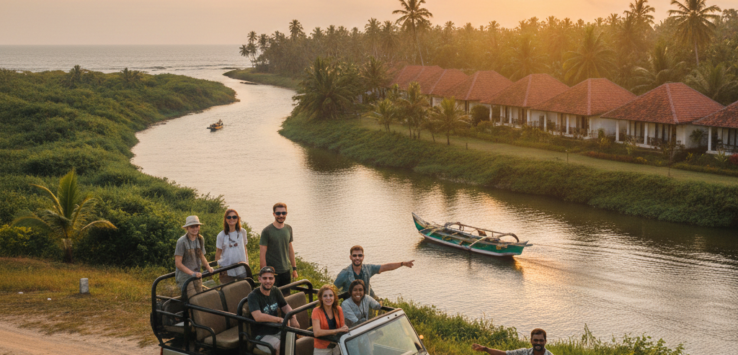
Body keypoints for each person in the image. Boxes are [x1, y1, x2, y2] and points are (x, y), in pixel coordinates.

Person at [247, 266, 300, 354]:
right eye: (265, 278)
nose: (268, 281)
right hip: (262, 335)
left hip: (277, 330)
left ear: (274, 280)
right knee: (281, 346)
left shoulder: (275, 290)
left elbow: (285, 306)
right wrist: (279, 320)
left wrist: (293, 317)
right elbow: (258, 316)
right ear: (259, 279)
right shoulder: (253, 296)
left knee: (295, 340)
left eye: (270, 278)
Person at [334, 245, 414, 298]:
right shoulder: (344, 274)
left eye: (360, 255)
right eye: (354, 255)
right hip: (351, 309)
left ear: (363, 257)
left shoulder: (368, 269)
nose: (357, 258)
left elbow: (385, 267)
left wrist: (402, 263)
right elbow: (333, 291)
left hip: (366, 305)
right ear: (350, 257)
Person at [174, 215, 214, 297]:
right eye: (192, 226)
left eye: (197, 226)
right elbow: (178, 263)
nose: (195, 229)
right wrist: (192, 273)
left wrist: (208, 267)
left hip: (197, 274)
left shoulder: (200, 239)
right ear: (187, 228)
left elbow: (201, 255)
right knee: (192, 299)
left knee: (200, 296)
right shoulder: (181, 242)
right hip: (185, 277)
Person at [260, 202, 297, 287]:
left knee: (286, 297)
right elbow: (262, 254)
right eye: (278, 213)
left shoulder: (288, 228)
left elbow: (290, 249)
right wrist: (264, 274)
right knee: (273, 298)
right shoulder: (267, 231)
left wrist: (294, 269)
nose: (281, 215)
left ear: (286, 214)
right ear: (274, 214)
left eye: (283, 213)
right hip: (272, 272)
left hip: (286, 270)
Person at [215, 209, 250, 284]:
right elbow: (218, 253)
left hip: (241, 268)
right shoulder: (221, 235)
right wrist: (219, 270)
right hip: (227, 270)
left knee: (244, 289)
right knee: (228, 291)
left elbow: (244, 248)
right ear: (225, 219)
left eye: (234, 217)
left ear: (237, 219)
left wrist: (247, 263)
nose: (232, 219)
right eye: (229, 217)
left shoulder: (242, 232)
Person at [312, 284, 348, 355]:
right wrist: (337, 330)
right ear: (321, 298)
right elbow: (317, 332)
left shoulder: (338, 309)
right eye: (325, 296)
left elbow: (342, 328)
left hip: (336, 345)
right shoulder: (316, 311)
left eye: (331, 295)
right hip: (322, 348)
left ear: (334, 297)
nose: (328, 298)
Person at [472, 328, 552, 355]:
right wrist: (486, 349)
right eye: (535, 340)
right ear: (531, 341)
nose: (538, 343)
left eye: (541, 340)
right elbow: (505, 354)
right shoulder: (524, 352)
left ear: (545, 341)